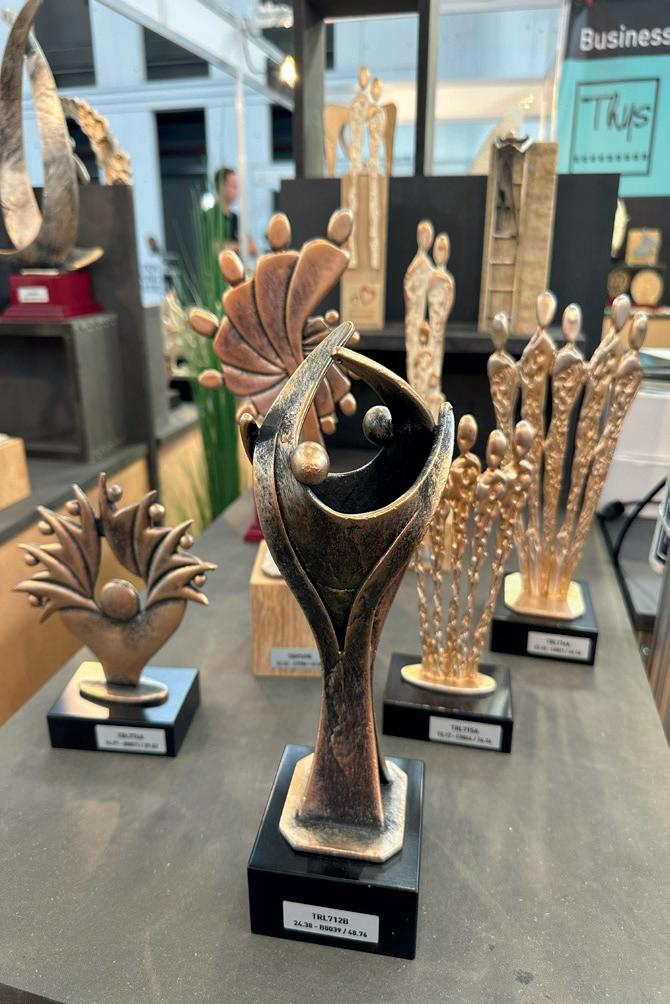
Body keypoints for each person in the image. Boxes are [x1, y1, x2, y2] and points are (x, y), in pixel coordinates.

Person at [208, 167, 258, 258]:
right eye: (234, 186)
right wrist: (241, 247)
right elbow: (213, 247)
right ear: (221, 187)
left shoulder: (236, 218)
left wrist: (231, 246)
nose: (237, 191)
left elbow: (253, 248)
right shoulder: (209, 216)